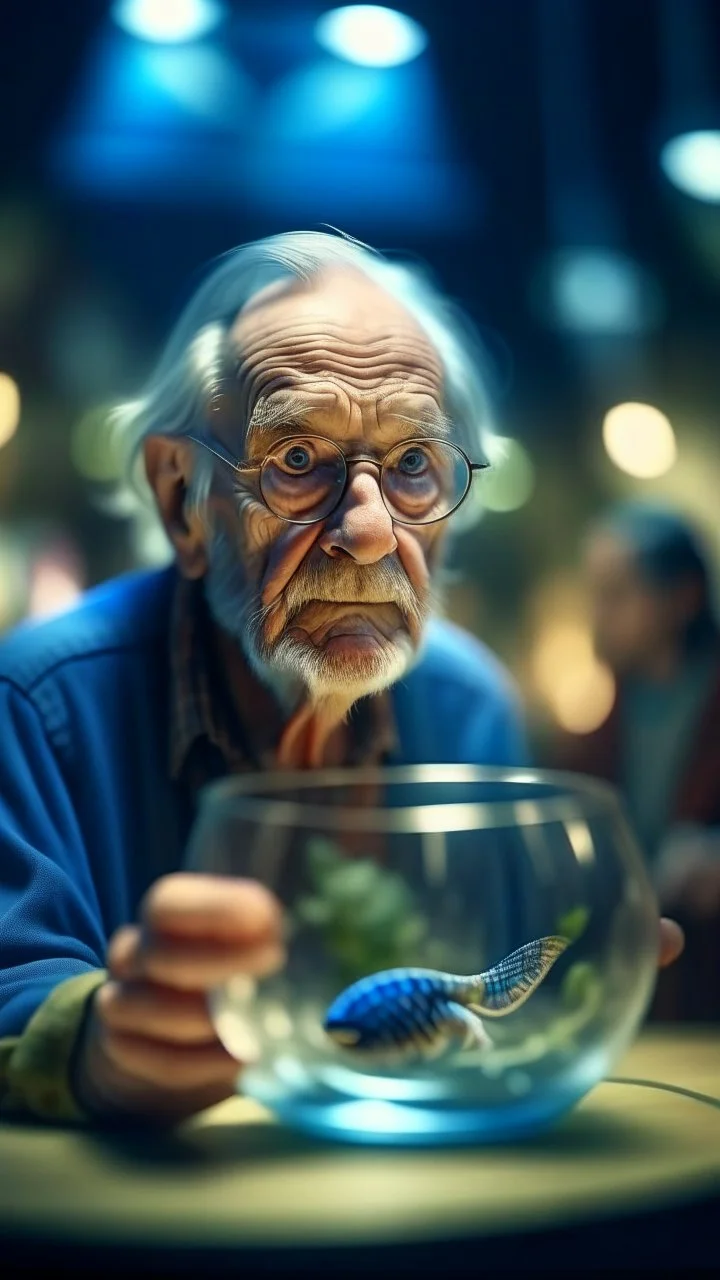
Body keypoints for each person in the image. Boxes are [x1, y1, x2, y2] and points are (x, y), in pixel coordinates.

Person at [0, 233, 684, 1126]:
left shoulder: (467, 703)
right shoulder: (38, 702)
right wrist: (100, 1045)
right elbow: (18, 985)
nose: (366, 530)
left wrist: (581, 968)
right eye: (296, 462)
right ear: (182, 501)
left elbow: (507, 987)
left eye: (411, 466)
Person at [555, 501, 719, 1019]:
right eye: (596, 595)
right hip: (649, 1002)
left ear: (683, 597)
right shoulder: (604, 726)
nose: (598, 617)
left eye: (617, 595)